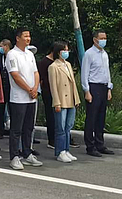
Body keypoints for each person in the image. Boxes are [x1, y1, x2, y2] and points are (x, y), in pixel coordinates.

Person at [6, 28, 42, 170]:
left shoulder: (29, 54)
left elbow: (36, 73)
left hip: (31, 98)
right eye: (25, 36)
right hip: (18, 98)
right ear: (18, 38)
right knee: (16, 129)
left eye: (29, 36)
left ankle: (27, 153)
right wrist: (28, 89)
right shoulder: (12, 54)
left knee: (28, 127)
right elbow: (15, 75)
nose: (28, 38)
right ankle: (14, 157)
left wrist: (35, 88)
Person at [81, 30, 115, 158]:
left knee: (101, 118)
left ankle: (100, 144)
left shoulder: (104, 54)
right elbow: (85, 73)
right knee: (92, 117)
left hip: (104, 87)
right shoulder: (89, 54)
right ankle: (90, 146)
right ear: (95, 39)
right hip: (93, 86)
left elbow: (107, 72)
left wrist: (109, 88)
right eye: (101, 38)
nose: (103, 40)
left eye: (105, 38)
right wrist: (87, 91)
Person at [48, 41, 80, 163]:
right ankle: (60, 151)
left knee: (68, 127)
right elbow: (53, 86)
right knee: (60, 128)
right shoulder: (53, 67)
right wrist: (56, 102)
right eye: (64, 50)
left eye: (67, 50)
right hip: (61, 100)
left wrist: (76, 98)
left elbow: (73, 84)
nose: (66, 52)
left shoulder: (68, 64)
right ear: (58, 52)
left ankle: (66, 150)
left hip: (71, 100)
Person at [37, 46, 56, 150]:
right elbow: (40, 78)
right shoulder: (44, 62)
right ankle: (51, 139)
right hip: (48, 92)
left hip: (58, 92)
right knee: (50, 115)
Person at [0, 39, 12, 139]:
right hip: (1, 86)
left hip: (11, 87)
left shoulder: (13, 56)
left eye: (2, 46)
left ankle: (13, 130)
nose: (0, 48)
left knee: (12, 109)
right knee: (0, 109)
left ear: (6, 46)